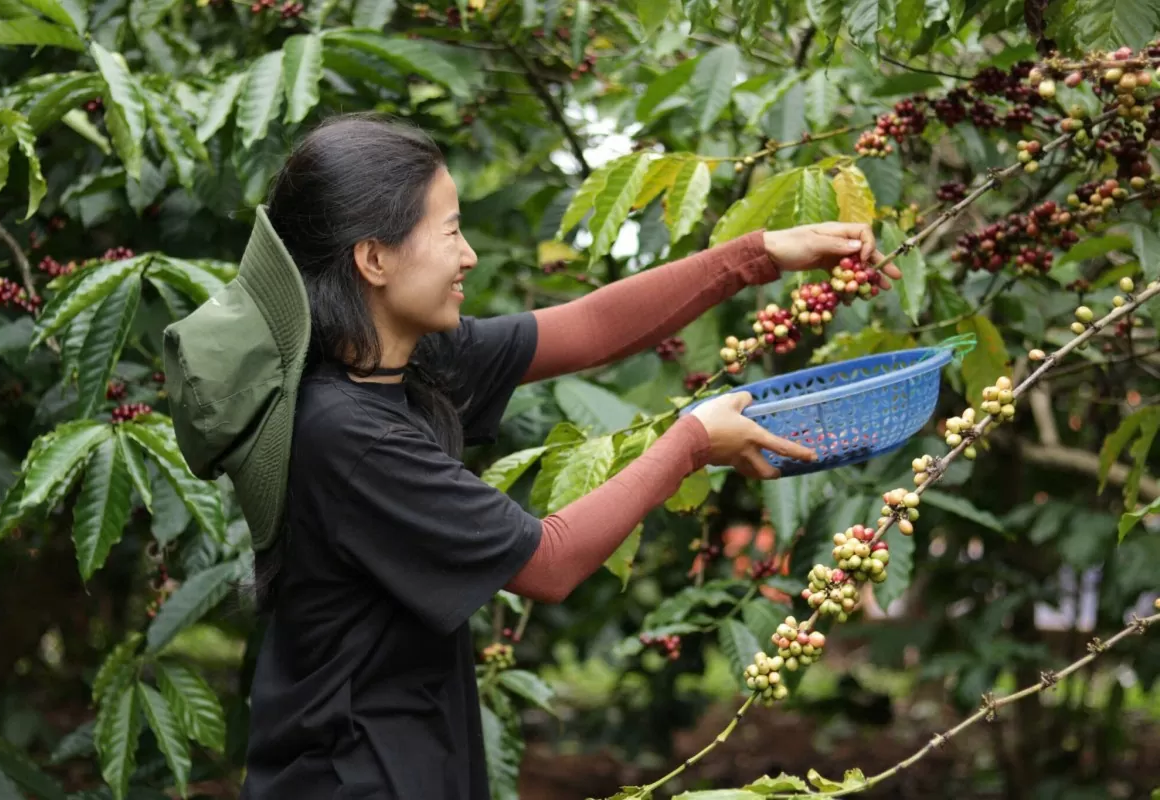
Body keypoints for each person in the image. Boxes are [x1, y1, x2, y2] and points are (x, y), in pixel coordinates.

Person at [162, 111, 900, 800]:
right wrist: (692, 443)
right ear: (374, 258)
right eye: (450, 232)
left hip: (404, 753)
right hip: (354, 774)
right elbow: (547, 563)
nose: (468, 255)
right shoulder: (345, 432)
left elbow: (589, 327)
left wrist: (761, 254)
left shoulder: (398, 360)